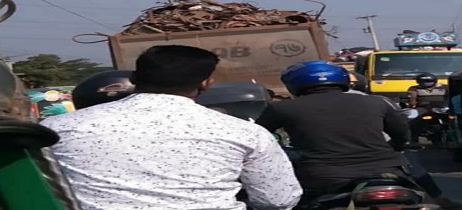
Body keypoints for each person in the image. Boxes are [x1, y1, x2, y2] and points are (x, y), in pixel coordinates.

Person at [42, 45, 302, 210]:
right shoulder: (243, 131)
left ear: (133, 78)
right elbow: (277, 200)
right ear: (206, 84)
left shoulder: (57, 127)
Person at [255, 60, 411, 205]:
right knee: (421, 187)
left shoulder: (281, 108)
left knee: (288, 202)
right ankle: (436, 198)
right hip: (388, 171)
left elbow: (256, 138)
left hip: (322, 177)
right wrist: (394, 147)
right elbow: (402, 134)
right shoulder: (379, 101)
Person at [345, 84, 462, 209]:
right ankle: (437, 198)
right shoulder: (377, 101)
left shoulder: (323, 102)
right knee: (413, 167)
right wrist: (400, 144)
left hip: (337, 160)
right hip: (383, 151)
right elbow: (400, 128)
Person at [407, 73, 448, 143]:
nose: (426, 84)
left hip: (441, 108)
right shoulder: (414, 89)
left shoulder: (443, 87)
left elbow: (450, 96)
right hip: (423, 109)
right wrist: (412, 105)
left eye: (429, 82)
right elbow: (412, 99)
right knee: (413, 120)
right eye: (423, 82)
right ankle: (413, 140)